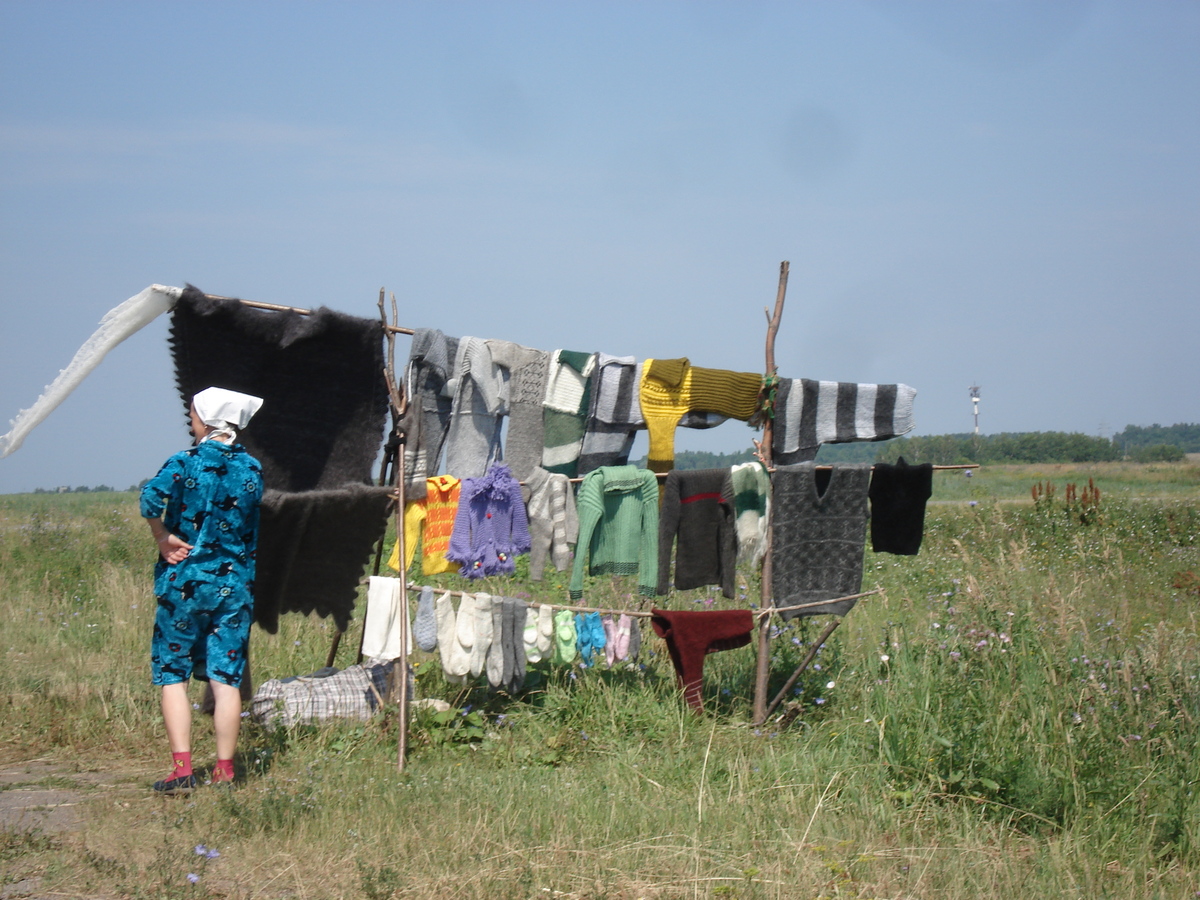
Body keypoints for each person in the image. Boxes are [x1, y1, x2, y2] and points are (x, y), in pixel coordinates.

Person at [139, 387, 264, 794]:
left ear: (207, 420)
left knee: (172, 673)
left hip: (185, 583)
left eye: (192, 413)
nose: (188, 419)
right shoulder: (253, 470)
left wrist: (163, 537)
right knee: (225, 677)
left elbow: (148, 499)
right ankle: (225, 772)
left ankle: (182, 771)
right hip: (234, 586)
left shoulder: (183, 463)